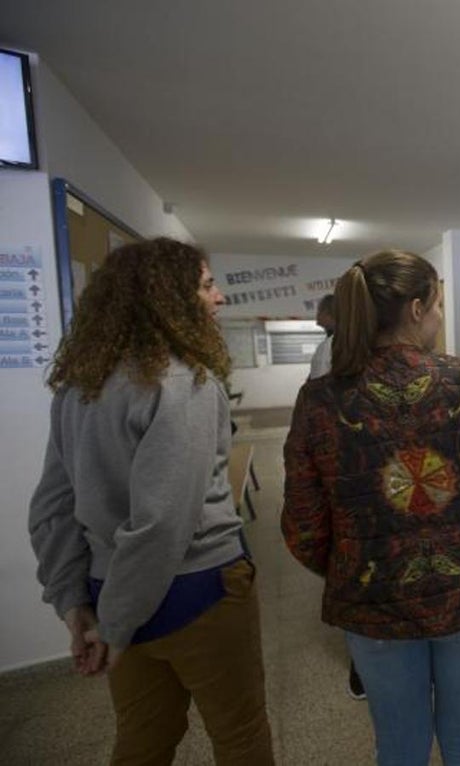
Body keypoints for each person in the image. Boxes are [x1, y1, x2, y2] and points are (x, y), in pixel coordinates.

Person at [28, 237, 274, 765]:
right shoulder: (183, 380)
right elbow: (163, 524)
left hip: (112, 589)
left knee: (144, 734)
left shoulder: (80, 386)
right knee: (240, 735)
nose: (219, 298)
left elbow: (52, 507)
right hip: (199, 592)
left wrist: (77, 606)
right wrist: (112, 625)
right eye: (207, 285)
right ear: (169, 298)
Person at [282, 250, 460, 766]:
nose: (438, 316)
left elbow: (303, 526)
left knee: (399, 746)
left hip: (372, 601)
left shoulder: (319, 400)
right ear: (415, 309)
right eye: (436, 303)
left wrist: (353, 564)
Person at [305, 291, 366, 700]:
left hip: (347, 480)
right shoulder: (334, 349)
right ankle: (364, 667)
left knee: (358, 572)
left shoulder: (330, 351)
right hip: (357, 478)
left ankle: (364, 668)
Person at [309, 293, 336, 380]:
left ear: (329, 314)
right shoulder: (334, 341)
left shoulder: (329, 345)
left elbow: (319, 378)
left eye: (320, 310)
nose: (317, 315)